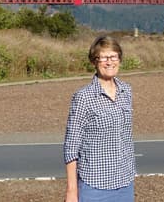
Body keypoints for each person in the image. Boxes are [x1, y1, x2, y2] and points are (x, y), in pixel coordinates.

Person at [63, 35, 136, 202]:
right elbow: (71, 147)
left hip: (125, 183)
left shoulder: (126, 91)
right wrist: (72, 191)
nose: (109, 62)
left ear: (119, 59)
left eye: (113, 56)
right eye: (103, 57)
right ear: (94, 62)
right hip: (95, 187)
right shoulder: (83, 97)